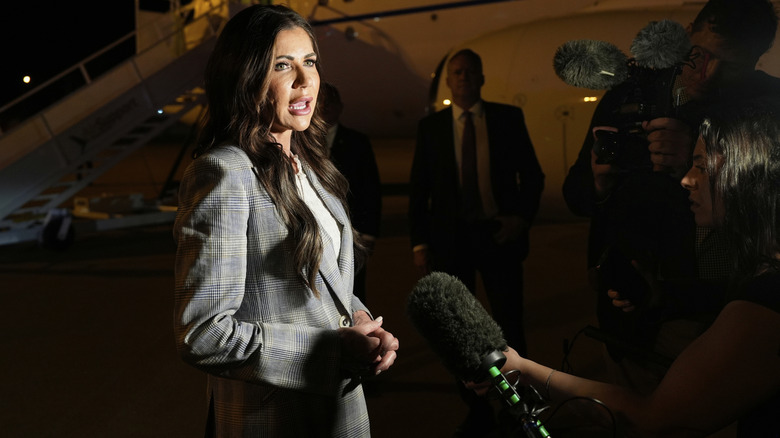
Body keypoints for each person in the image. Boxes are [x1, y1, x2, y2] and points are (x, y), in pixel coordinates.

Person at [475, 102, 780, 437]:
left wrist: (524, 370)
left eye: (702, 167)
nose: (687, 180)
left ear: (750, 176)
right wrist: (663, 297)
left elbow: (654, 417)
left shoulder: (764, 305)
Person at [172, 5, 399, 437]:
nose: (304, 80)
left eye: (309, 62)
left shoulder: (308, 165)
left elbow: (328, 285)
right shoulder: (224, 173)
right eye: (282, 65)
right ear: (245, 77)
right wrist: (332, 352)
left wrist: (362, 324)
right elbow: (201, 334)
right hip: (275, 418)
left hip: (340, 411)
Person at [561, 0, 780, 393]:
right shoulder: (628, 93)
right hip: (628, 315)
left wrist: (699, 162)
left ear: (758, 57)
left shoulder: (768, 106)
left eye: (728, 64)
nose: (706, 74)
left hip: (718, 311)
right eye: (700, 54)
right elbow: (576, 197)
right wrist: (597, 183)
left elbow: (771, 211)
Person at [408, 48, 545, 436]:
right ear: (448, 82)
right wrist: (420, 244)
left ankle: (518, 406)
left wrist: (520, 219)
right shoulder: (431, 128)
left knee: (508, 326)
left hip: (497, 236)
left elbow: (532, 176)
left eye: (470, 71)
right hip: (450, 243)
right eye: (457, 72)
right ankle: (477, 407)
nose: (464, 77)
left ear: (482, 78)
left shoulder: (507, 119)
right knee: (459, 333)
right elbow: (420, 191)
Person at [319, 82, 382, 305]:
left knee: (354, 296)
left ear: (340, 107)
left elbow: (371, 189)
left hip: (353, 236)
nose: (324, 106)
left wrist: (369, 234)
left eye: (330, 102)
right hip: (314, 237)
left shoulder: (358, 142)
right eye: (320, 100)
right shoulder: (298, 141)